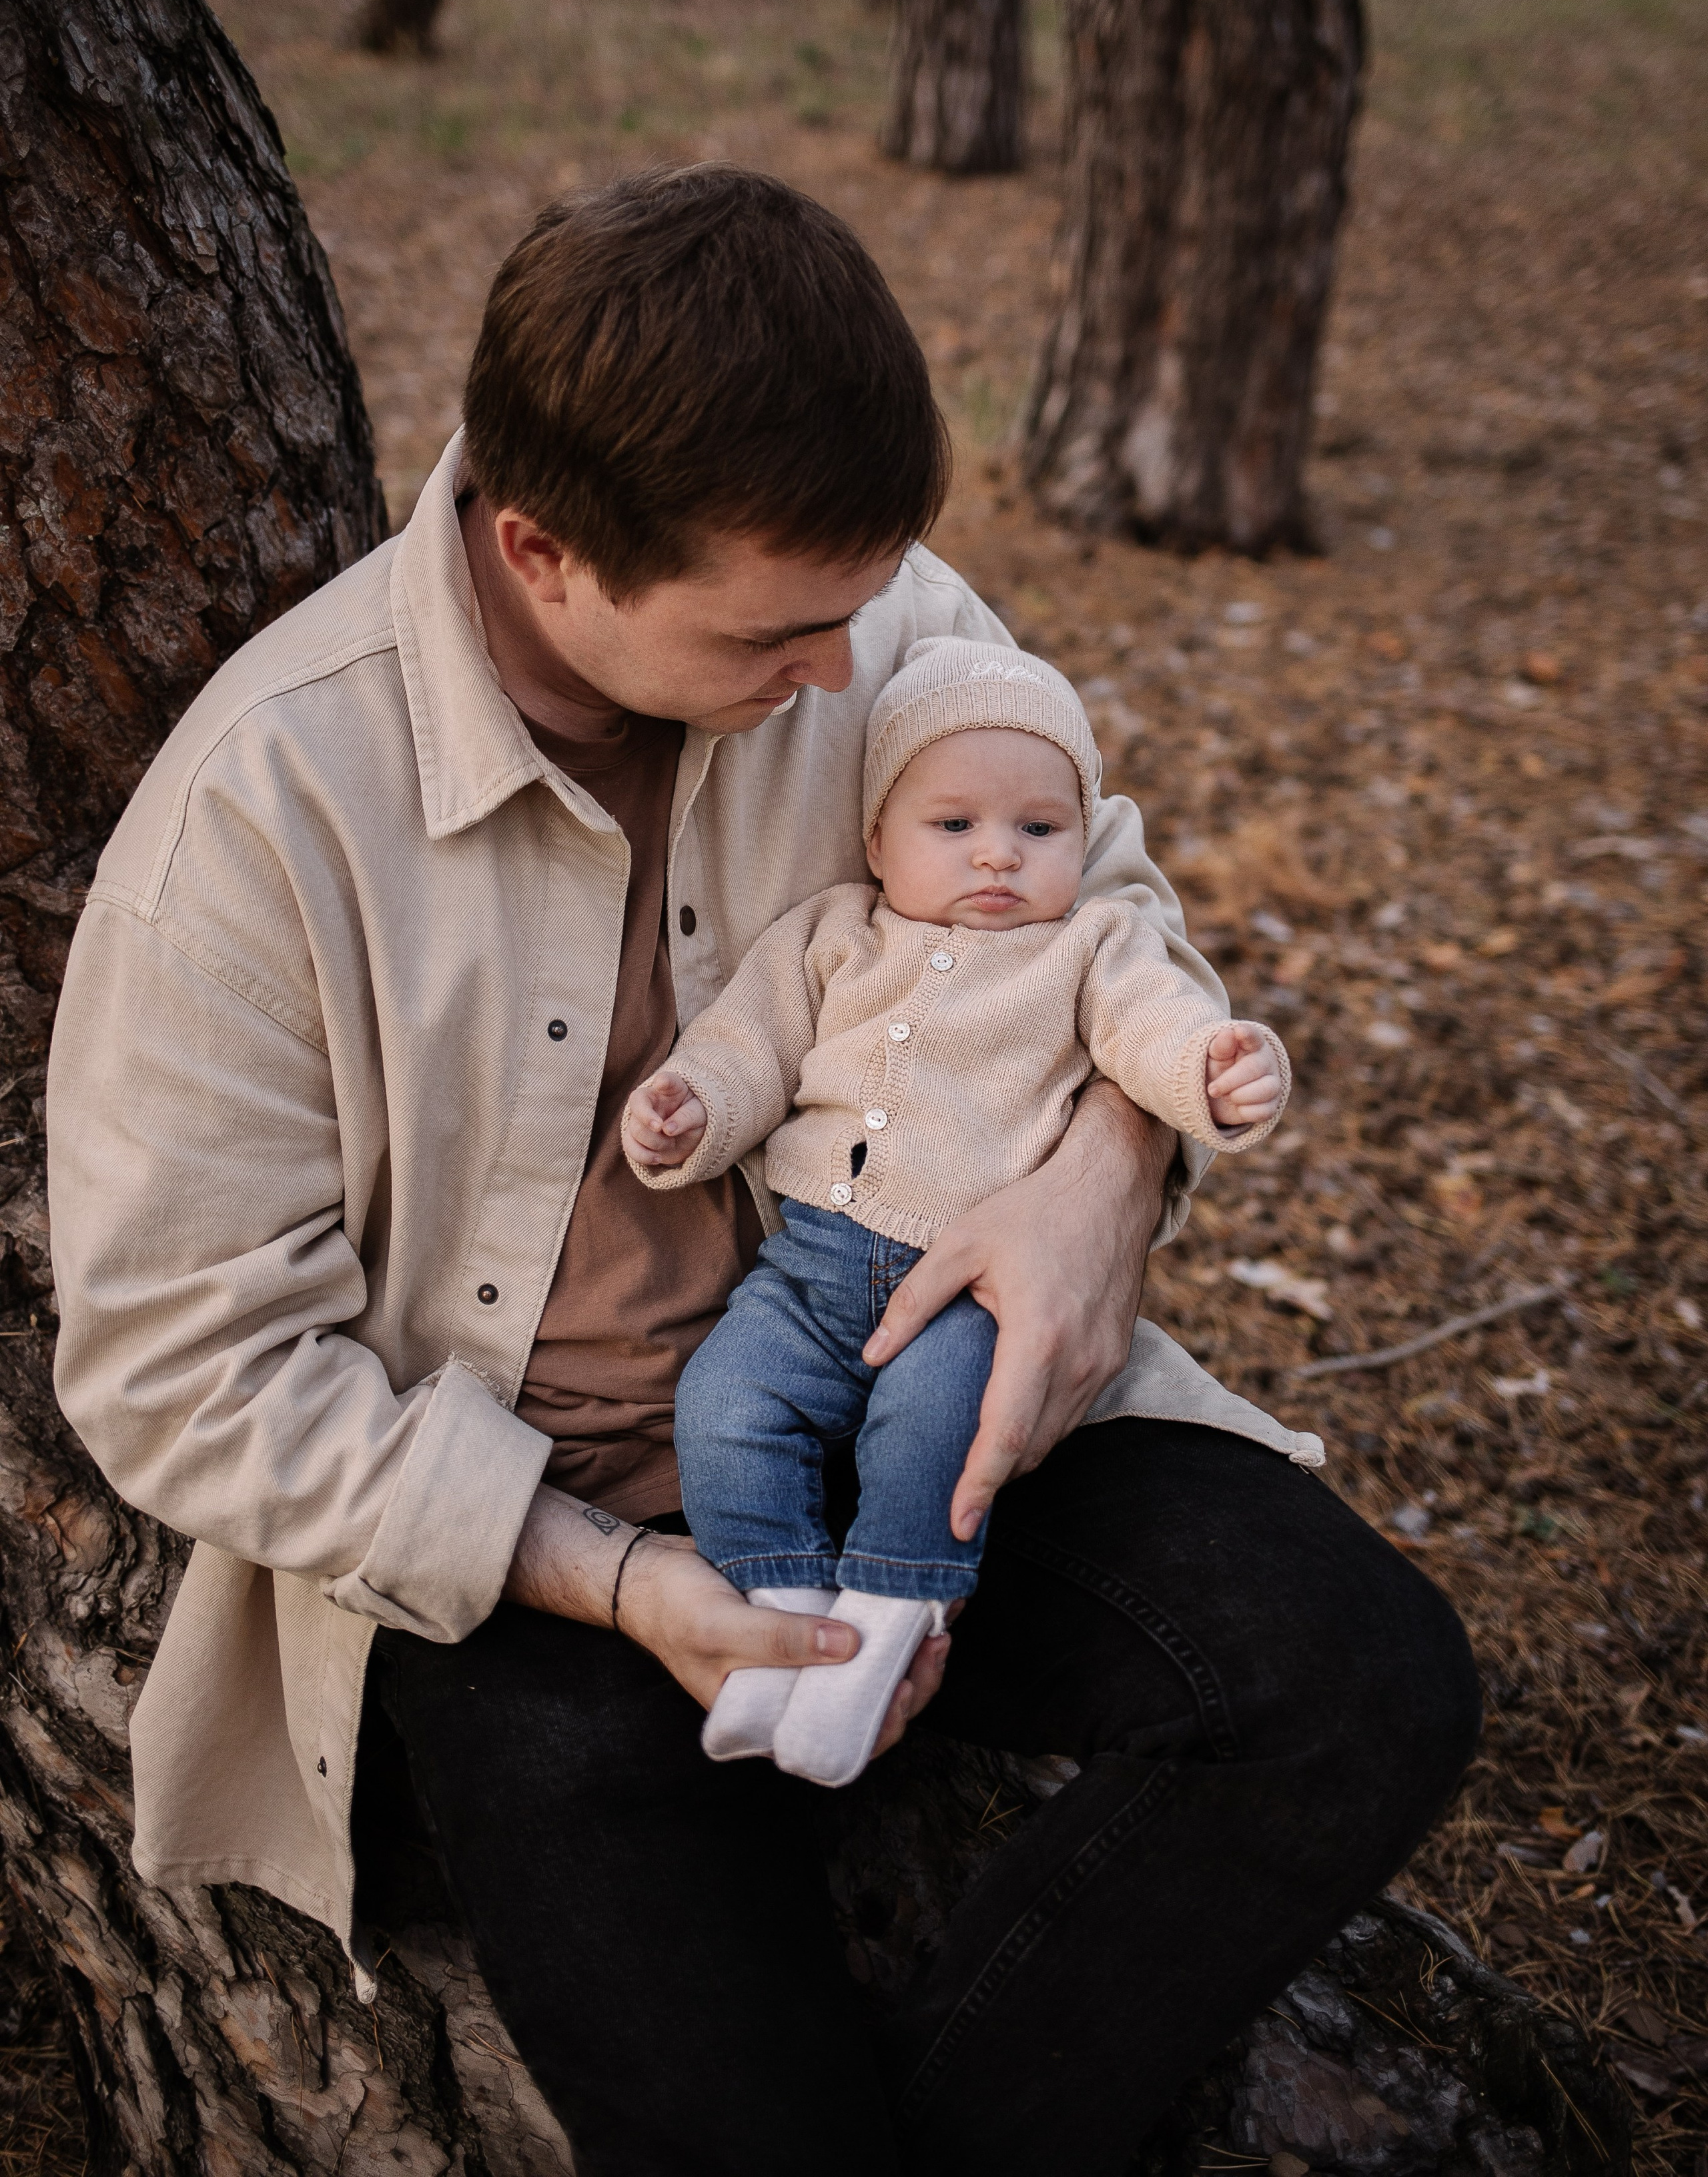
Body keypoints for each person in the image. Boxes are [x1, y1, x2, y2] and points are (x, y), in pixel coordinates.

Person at [47, 165, 1479, 2177]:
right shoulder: (266, 814)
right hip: (531, 1549)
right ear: (544, 551)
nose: (848, 675)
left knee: (1354, 1683)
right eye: (779, 634)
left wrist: (1108, 1178)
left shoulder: (876, 612)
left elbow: (1104, 891)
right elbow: (177, 1371)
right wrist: (623, 1585)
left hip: (913, 1379)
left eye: (866, 607)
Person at [624, 637, 1290, 1785]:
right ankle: (778, 1616)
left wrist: (1216, 1068)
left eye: (1040, 830)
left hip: (972, 1289)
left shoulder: (1089, 946)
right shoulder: (834, 936)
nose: (998, 857)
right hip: (815, 1270)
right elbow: (750, 1046)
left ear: (1084, 841)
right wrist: (691, 1110)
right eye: (955, 827)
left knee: (940, 1440)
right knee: (726, 1402)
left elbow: (1153, 1030)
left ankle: (883, 1637)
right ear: (879, 838)